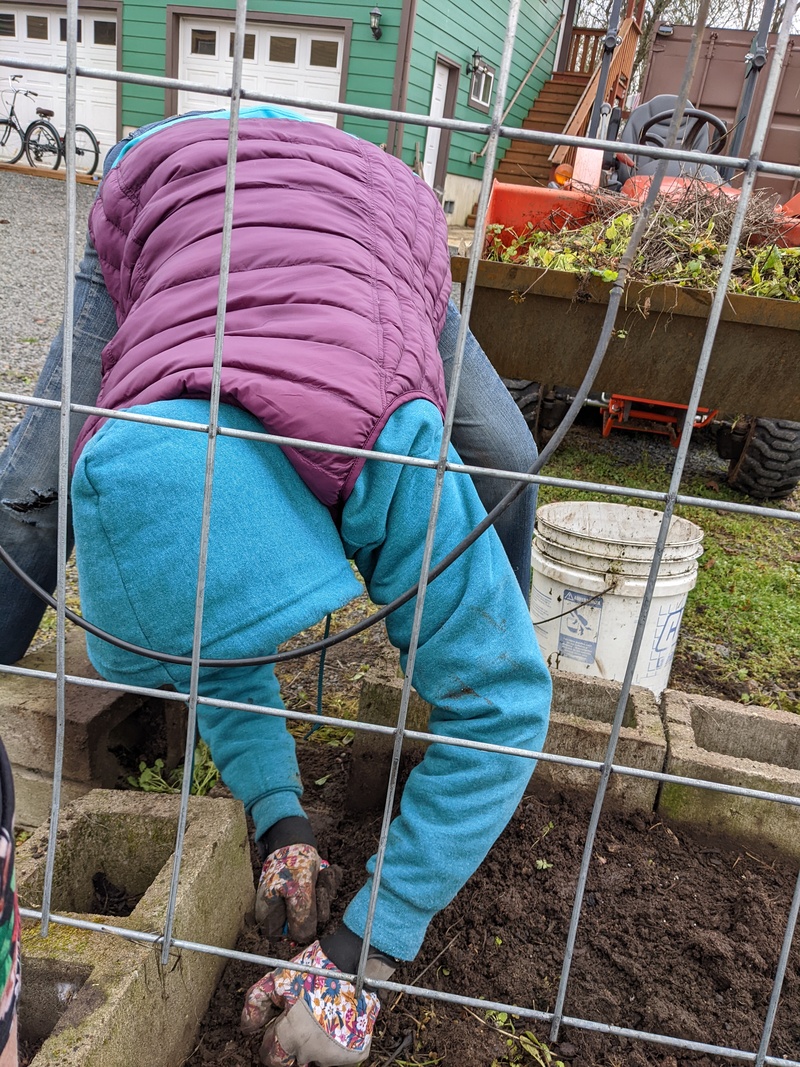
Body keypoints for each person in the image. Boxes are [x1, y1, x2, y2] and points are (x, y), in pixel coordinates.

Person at [60, 109, 553, 1066]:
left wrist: (360, 952)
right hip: (170, 188)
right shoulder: (117, 427)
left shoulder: (394, 450)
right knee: (23, 502)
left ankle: (471, 783)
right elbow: (211, 618)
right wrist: (280, 815)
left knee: (508, 470)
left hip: (369, 223)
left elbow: (508, 704)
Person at [0, 107, 538, 667]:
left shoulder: (396, 431)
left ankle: (500, 649)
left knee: (505, 458)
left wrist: (490, 680)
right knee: (37, 490)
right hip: (174, 185)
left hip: (375, 215)